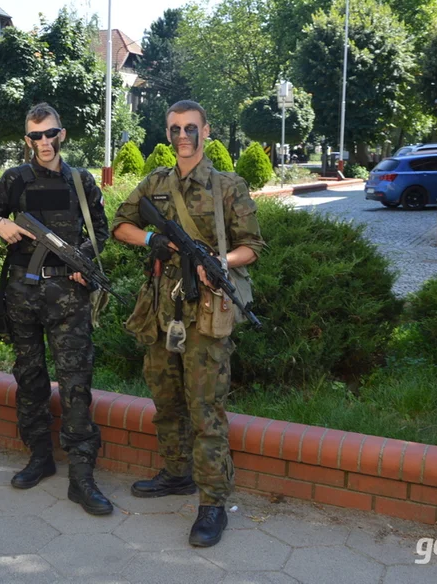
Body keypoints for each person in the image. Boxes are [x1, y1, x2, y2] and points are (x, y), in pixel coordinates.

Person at [111, 100, 264, 547]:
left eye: (191, 128)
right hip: (161, 310)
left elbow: (252, 246)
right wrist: (152, 239)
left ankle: (213, 502)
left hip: (206, 312)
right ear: (167, 132)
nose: (183, 136)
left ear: (206, 131)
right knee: (166, 398)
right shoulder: (155, 183)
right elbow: (120, 224)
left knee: (205, 408)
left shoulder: (227, 185)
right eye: (176, 128)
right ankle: (177, 473)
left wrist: (219, 260)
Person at [0, 103, 113, 516]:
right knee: (30, 376)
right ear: (27, 140)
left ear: (62, 134)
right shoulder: (14, 180)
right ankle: (39, 455)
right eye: (35, 136)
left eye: (49, 133)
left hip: (69, 297)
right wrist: (0, 225)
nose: (43, 143)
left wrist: (83, 264)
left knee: (76, 382)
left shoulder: (80, 181)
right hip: (23, 293)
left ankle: (82, 474)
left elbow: (101, 231)